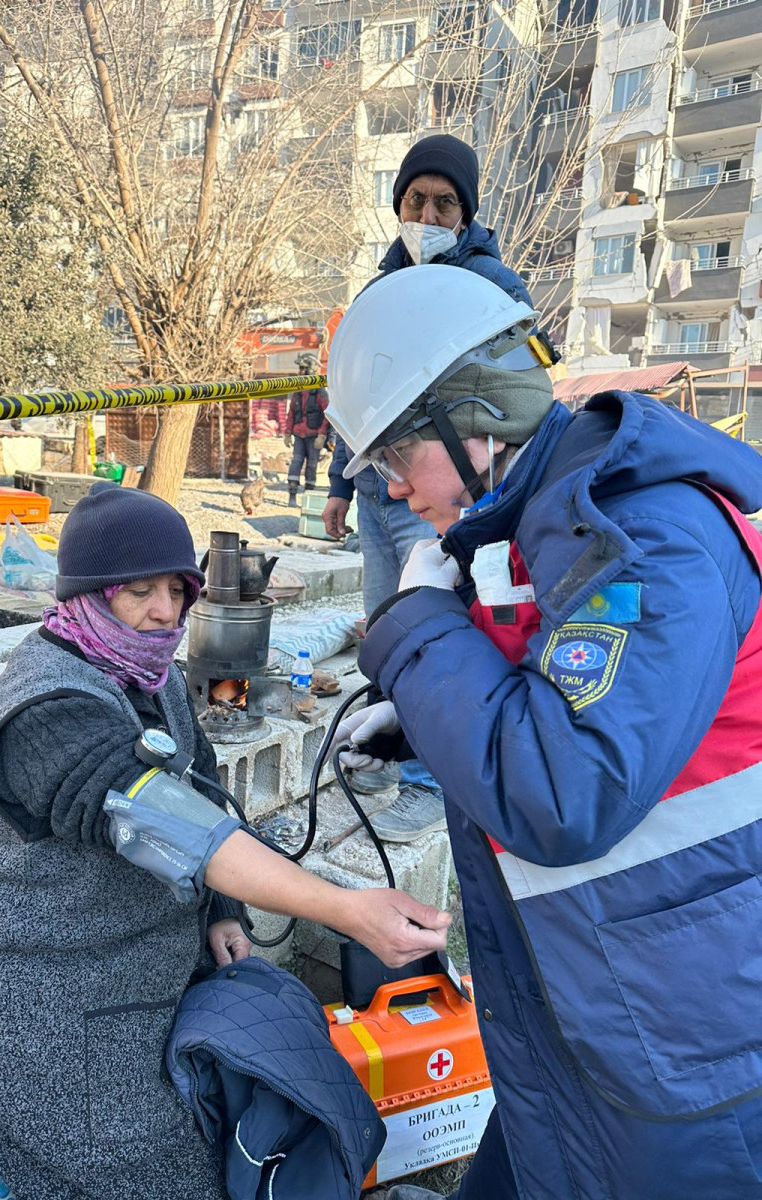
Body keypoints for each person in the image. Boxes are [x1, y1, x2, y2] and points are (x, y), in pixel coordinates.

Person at [325, 265, 762, 1200]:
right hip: (592, 1004)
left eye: (400, 458)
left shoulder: (648, 538)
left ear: (473, 420)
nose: (397, 492)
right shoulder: (543, 524)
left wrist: (418, 632)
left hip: (689, 1036)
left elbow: (565, 792)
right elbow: (554, 700)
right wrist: (431, 721)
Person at [0, 482, 449, 1200]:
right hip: (42, 999)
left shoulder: (150, 674)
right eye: (138, 591)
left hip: (139, 969)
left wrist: (220, 914)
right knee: (156, 1168)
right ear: (87, 592)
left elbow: (199, 779)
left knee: (268, 1084)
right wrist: (348, 909)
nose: (165, 612)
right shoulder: (46, 709)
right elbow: (179, 826)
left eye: (177, 590)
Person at [323, 134, 534, 843]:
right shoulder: (379, 289)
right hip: (383, 494)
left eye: (445, 202)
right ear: (399, 206)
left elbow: (518, 399)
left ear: (466, 213)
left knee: (435, 629)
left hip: (447, 493)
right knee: (389, 625)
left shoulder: (494, 286)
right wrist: (337, 487)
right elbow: (354, 401)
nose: (429, 214)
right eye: (416, 200)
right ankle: (386, 745)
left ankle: (423, 780)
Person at [284, 352, 329, 505]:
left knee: (311, 465)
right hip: (299, 435)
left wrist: (322, 435)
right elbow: (291, 413)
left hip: (314, 436)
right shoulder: (298, 391)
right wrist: (287, 433)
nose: (299, 372)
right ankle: (292, 495)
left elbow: (327, 415)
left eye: (302, 368)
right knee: (296, 462)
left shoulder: (320, 391)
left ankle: (307, 497)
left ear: (311, 370)